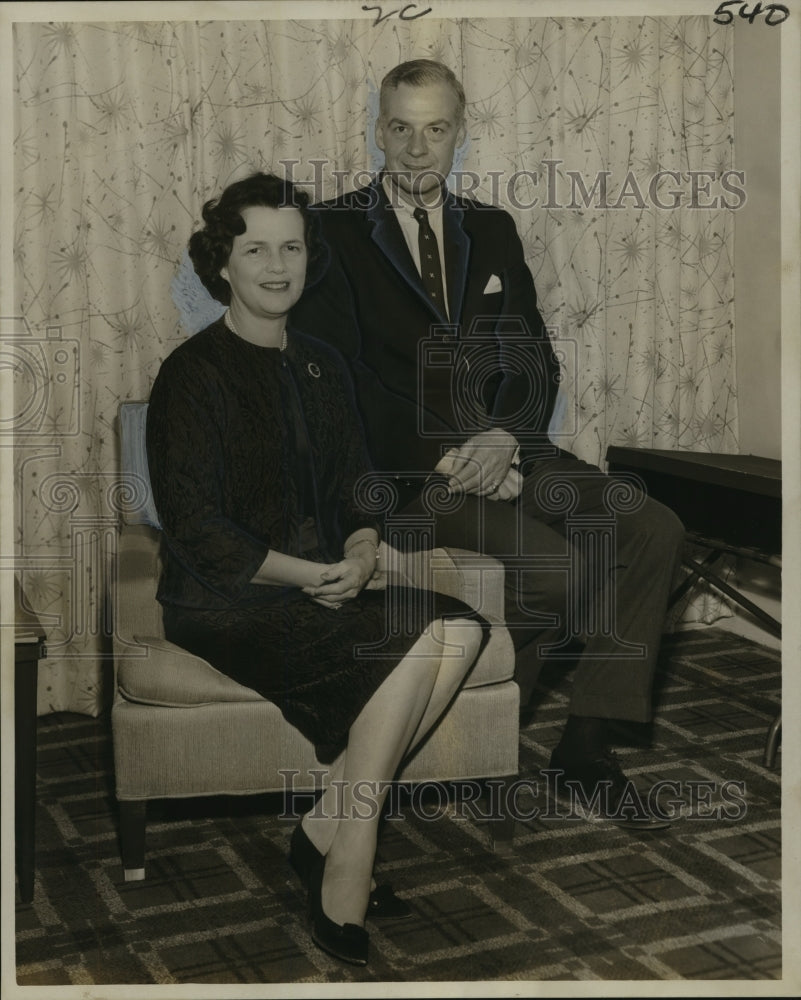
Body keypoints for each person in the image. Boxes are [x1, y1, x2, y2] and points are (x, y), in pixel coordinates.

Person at [292, 59, 686, 830]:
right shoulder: (330, 230)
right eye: (400, 128)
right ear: (378, 132)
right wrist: (450, 459)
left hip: (511, 450)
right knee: (559, 571)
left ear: (457, 136)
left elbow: (533, 355)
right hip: (410, 473)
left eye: (434, 129)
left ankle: (585, 747)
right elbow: (335, 376)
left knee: (651, 528)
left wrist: (504, 438)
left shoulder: (492, 227)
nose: (415, 149)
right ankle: (457, 736)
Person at [146, 171, 488, 966]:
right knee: (407, 651)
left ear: (307, 259)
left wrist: (364, 546)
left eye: (291, 247)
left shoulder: (323, 365)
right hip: (223, 599)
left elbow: (354, 485)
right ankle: (350, 857)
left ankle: (323, 825)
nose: (277, 265)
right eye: (255, 248)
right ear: (221, 264)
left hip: (325, 585)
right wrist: (311, 575)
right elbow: (195, 527)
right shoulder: (191, 374)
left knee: (460, 629)